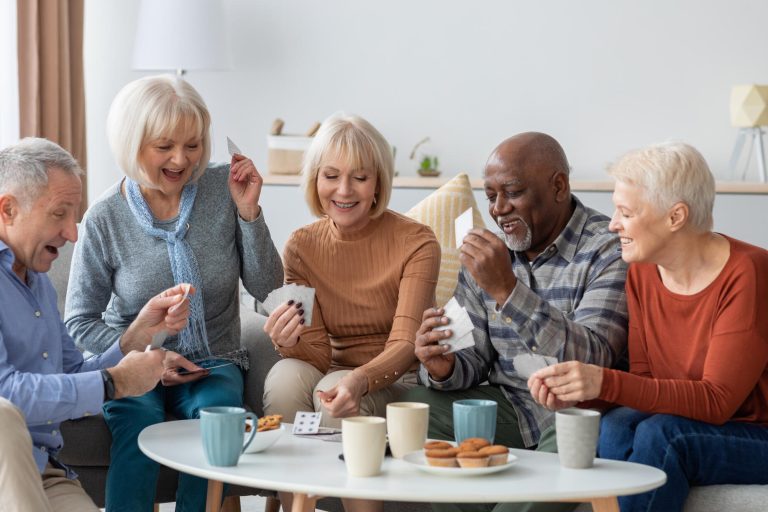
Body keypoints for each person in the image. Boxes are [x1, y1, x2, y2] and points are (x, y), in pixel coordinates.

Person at [64, 75, 284, 512]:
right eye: (164, 146)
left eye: (193, 144)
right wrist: (147, 355)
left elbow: (267, 288)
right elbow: (79, 321)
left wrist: (249, 213)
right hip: (131, 362)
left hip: (214, 360)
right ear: (133, 142)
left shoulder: (225, 190)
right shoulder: (105, 217)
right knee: (138, 425)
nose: (181, 159)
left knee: (215, 422)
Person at [528, 142, 768, 512]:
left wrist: (603, 380)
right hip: (692, 421)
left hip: (756, 432)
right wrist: (579, 392)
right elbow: (645, 377)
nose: (612, 224)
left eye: (626, 212)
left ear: (676, 217)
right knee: (616, 425)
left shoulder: (748, 273)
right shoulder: (641, 272)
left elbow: (718, 401)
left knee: (665, 436)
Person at [403, 132, 629, 512]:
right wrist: (443, 366)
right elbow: (473, 359)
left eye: (512, 192)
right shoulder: (489, 253)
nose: (498, 209)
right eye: (490, 196)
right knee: (412, 407)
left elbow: (595, 359)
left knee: (577, 429)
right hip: (509, 405)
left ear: (558, 186)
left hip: (576, 410)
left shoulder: (606, 249)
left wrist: (508, 291)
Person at [0, 137, 191, 511]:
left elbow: (72, 372)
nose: (72, 233)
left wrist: (137, 337)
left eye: (74, 216)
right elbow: (8, 395)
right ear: (8, 209)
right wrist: (114, 382)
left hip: (44, 469)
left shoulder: (35, 281)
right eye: (59, 214)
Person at [262, 112, 440, 512]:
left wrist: (358, 381)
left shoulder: (417, 242)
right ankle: (293, 507)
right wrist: (288, 343)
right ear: (315, 180)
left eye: (360, 177)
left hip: (395, 377)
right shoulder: (301, 246)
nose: (344, 190)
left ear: (378, 183)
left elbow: (407, 343)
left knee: (336, 395)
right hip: (332, 369)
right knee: (285, 376)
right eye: (331, 175)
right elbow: (316, 354)